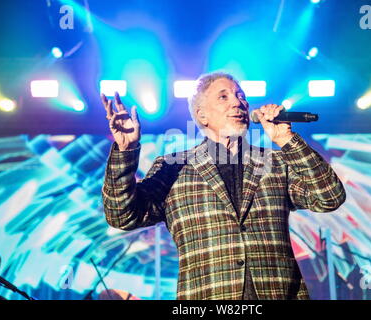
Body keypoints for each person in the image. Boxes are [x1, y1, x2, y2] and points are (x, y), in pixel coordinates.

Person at [101, 72, 346, 300]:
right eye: (224, 96)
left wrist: (286, 139)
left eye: (241, 96)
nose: (238, 102)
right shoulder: (174, 167)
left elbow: (329, 196)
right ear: (202, 115)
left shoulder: (275, 162)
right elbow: (121, 216)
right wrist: (126, 150)